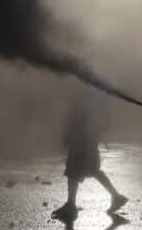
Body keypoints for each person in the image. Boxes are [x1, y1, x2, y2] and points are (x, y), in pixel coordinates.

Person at [53, 91, 129, 220]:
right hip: (87, 139)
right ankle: (116, 196)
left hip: (82, 139)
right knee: (91, 170)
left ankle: (71, 205)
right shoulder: (96, 96)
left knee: (74, 171)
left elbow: (80, 117)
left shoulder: (89, 96)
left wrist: (70, 135)